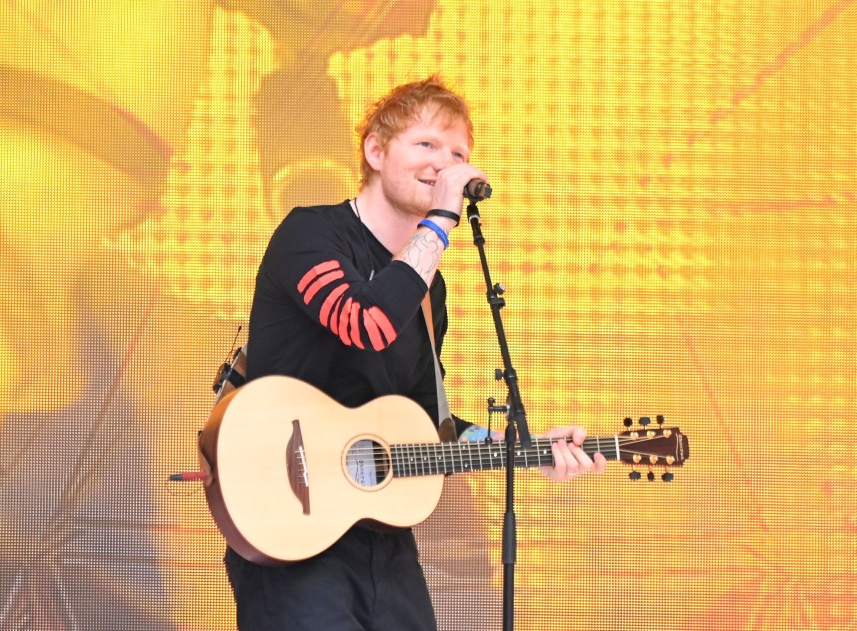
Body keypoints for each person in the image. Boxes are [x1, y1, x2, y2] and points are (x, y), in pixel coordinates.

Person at [224, 75, 607, 631]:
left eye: (459, 154)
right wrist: (443, 218)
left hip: (381, 537)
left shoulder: (430, 290)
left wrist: (517, 448)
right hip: (290, 525)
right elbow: (366, 323)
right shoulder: (310, 234)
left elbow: (432, 421)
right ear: (375, 151)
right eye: (427, 145)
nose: (445, 165)